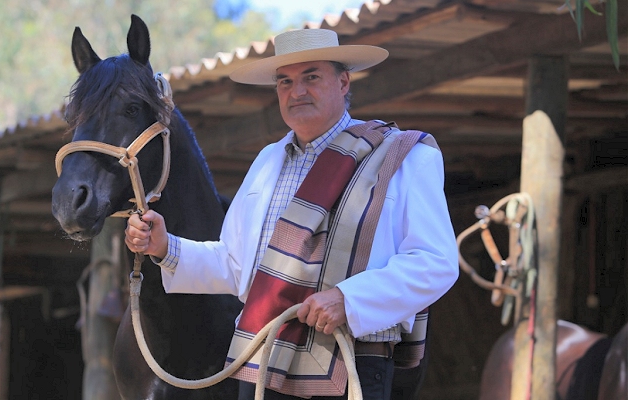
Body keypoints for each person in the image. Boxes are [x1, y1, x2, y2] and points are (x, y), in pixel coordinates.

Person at [125, 28, 458, 400]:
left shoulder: (402, 157)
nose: (296, 91)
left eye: (311, 77)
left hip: (350, 363)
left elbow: (435, 261)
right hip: (261, 360)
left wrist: (349, 300)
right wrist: (165, 247)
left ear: (343, 81)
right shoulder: (267, 162)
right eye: (285, 81)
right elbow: (237, 266)